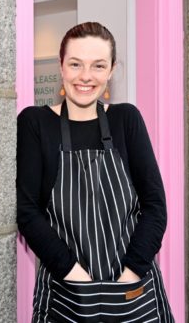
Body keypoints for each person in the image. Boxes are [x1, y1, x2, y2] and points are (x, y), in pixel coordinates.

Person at [17, 22, 174, 323]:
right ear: (61, 66)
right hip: (66, 291)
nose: (86, 76)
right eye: (76, 64)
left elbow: (155, 206)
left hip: (133, 287)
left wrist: (129, 279)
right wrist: (78, 281)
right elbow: (27, 212)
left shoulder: (126, 119)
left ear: (111, 70)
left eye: (98, 66)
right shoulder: (35, 123)